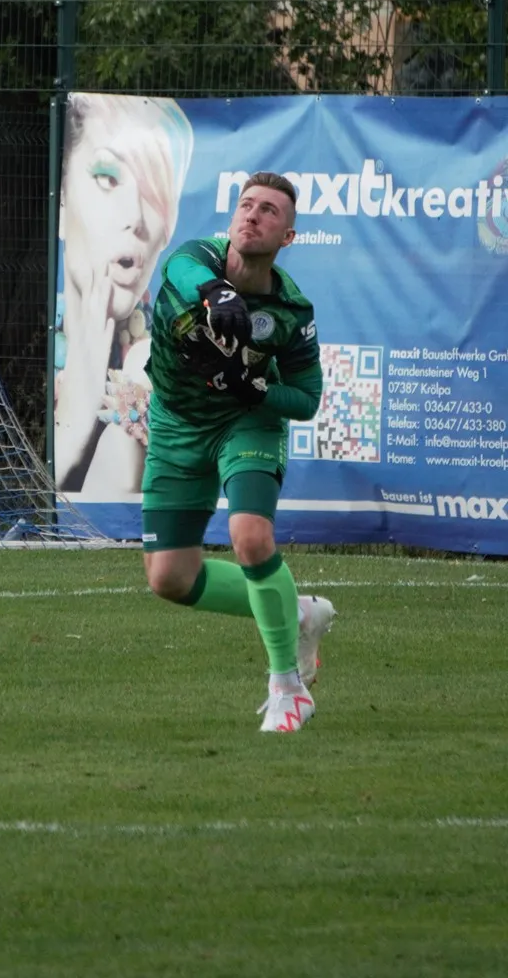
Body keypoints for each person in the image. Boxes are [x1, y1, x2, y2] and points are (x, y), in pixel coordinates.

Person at [141, 171, 336, 733]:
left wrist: (255, 390)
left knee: (250, 536)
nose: (253, 215)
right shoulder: (194, 260)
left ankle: (287, 688)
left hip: (246, 422)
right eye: (246, 205)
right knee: (170, 579)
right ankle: (294, 610)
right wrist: (216, 291)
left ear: (287, 237)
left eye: (269, 211)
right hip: (176, 424)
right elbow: (181, 266)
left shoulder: (290, 311)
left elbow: (307, 398)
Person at [54, 93, 193, 497]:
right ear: (62, 203)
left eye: (153, 194)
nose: (135, 217)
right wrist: (76, 408)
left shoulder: (158, 358)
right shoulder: (22, 345)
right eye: (107, 178)